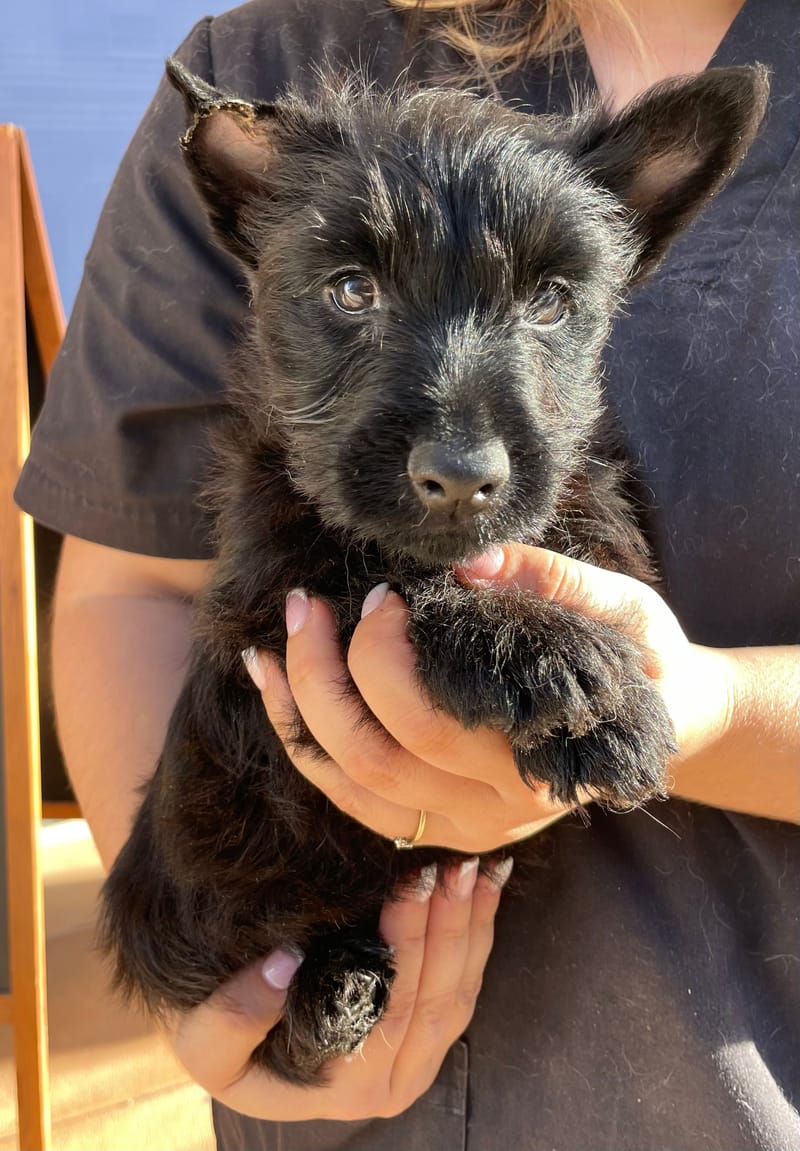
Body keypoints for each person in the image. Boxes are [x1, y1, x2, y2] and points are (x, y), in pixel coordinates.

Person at [15, 0, 799, 1147]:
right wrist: (214, 977)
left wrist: (714, 713)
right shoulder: (261, 66)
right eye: (350, 292)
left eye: (542, 302)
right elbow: (133, 586)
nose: (460, 448)